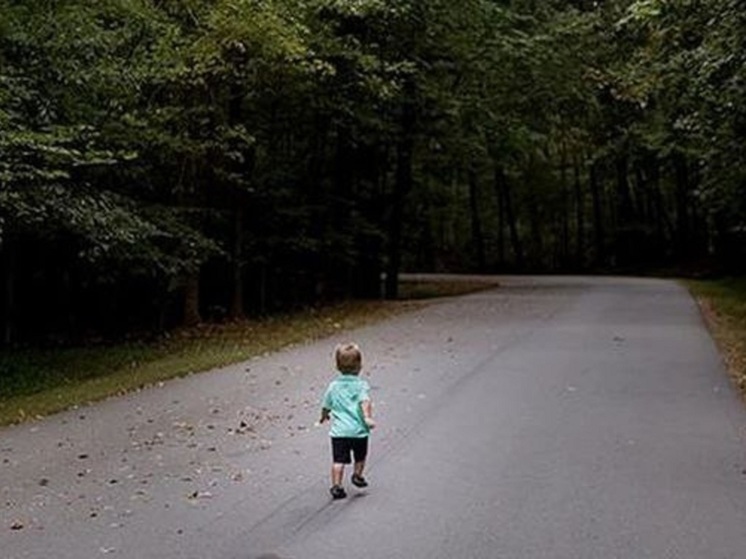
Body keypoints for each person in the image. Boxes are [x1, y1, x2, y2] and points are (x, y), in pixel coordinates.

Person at [319, 342, 376, 499]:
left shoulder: (333, 386)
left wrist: (323, 416)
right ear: (359, 366)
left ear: (337, 366)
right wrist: (367, 417)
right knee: (360, 457)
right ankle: (357, 475)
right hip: (358, 431)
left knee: (338, 461)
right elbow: (365, 401)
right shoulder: (361, 385)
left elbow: (326, 405)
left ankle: (336, 486)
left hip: (339, 433)